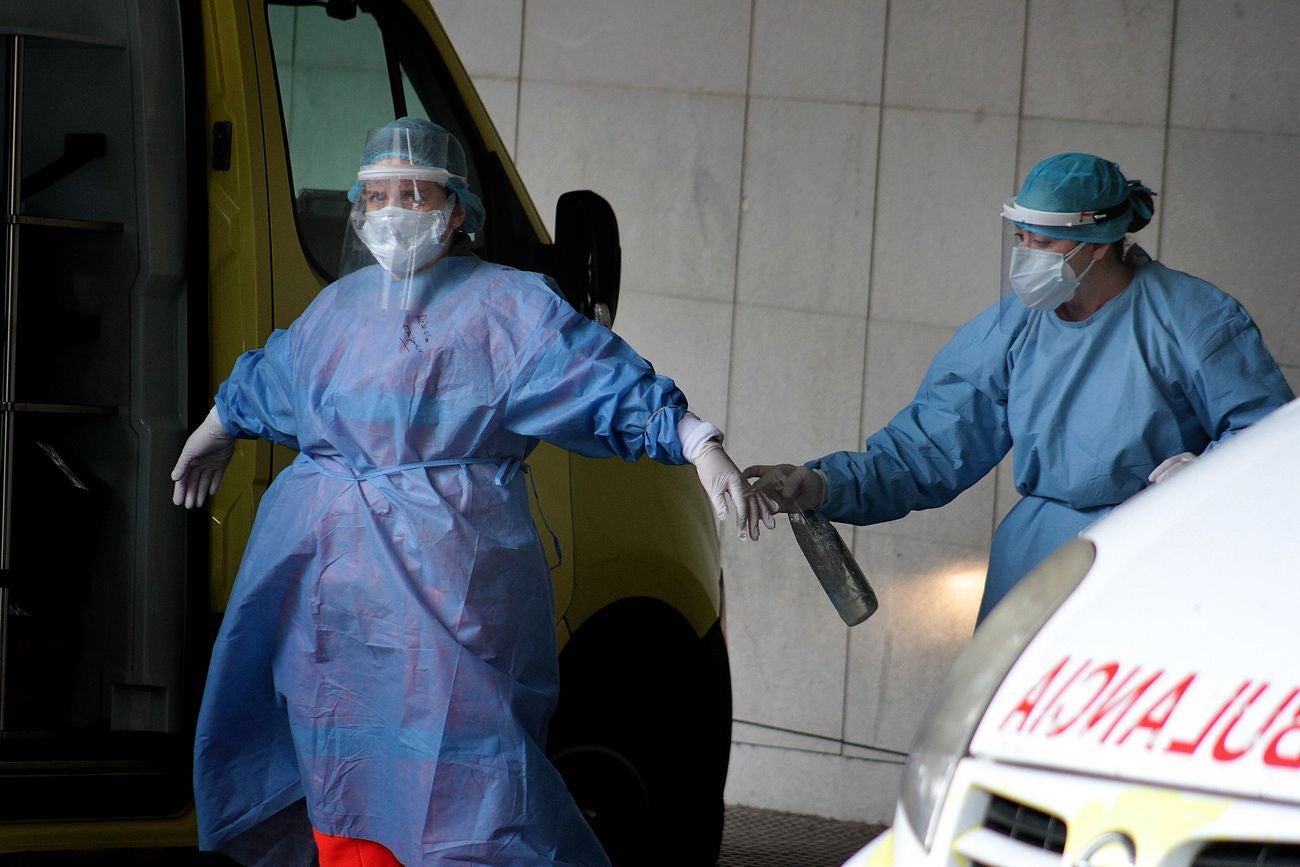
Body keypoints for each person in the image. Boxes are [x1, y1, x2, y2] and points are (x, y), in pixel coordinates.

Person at [171, 117, 766, 867]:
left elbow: (593, 374)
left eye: (413, 193)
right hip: (332, 618)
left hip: (446, 602)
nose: (392, 211)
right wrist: (222, 421)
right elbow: (280, 375)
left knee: (472, 799)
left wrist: (691, 438)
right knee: (341, 796)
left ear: (455, 211)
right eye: (377, 196)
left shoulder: (508, 310)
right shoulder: (338, 311)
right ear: (356, 210)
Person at [747, 152, 1293, 624]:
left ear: (1097, 243)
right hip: (1034, 563)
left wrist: (1208, 479)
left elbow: (1271, 442)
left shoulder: (1192, 319)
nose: (1026, 253)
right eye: (1020, 237)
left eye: (1044, 240)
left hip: (1153, 561)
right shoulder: (1016, 327)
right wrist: (822, 484)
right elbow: (931, 447)